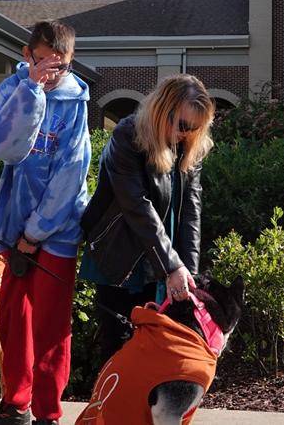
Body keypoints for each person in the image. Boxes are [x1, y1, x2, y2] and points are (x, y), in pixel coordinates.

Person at [0, 20, 92, 425]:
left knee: (49, 326)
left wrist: (36, 232)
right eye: (41, 61)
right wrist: (31, 92)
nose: (49, 72)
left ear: (69, 63)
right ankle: (16, 402)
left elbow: (71, 172)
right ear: (27, 56)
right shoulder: (15, 88)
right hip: (11, 225)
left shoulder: (77, 100)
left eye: (58, 65)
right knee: (12, 317)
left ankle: (48, 413)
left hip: (56, 228)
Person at [79, 74, 215, 364]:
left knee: (154, 355)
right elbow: (136, 206)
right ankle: (110, 410)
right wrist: (173, 265)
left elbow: (192, 210)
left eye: (194, 129)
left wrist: (186, 273)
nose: (186, 134)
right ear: (161, 110)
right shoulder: (127, 135)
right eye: (182, 125)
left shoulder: (187, 146)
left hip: (161, 261)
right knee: (118, 351)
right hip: (120, 259)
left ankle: (141, 411)